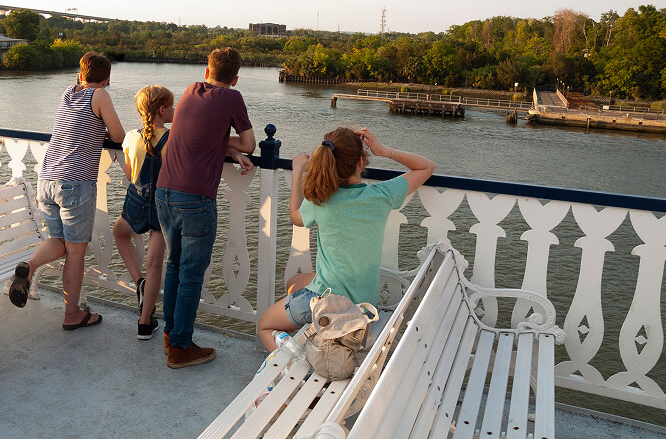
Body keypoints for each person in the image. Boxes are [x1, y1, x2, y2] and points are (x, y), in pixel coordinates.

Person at [257, 126, 435, 352]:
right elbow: (427, 166)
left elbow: (295, 216)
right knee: (294, 281)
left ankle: (296, 366)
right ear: (361, 162)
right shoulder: (381, 195)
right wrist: (383, 150)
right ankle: (323, 340)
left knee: (265, 324)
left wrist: (297, 173)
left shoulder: (321, 201)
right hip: (364, 303)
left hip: (328, 304)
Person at [9, 51, 124, 331]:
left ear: (80, 74)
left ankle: (29, 265)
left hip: (47, 179)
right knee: (75, 254)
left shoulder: (68, 92)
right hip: (75, 184)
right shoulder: (100, 95)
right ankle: (72, 315)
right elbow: (119, 136)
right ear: (106, 79)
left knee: (59, 242)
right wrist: (103, 133)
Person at [156, 47, 255, 368]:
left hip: (164, 192)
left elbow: (199, 134)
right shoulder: (232, 97)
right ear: (236, 78)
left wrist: (224, 145)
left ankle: (172, 335)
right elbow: (251, 144)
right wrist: (234, 148)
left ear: (206, 71)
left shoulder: (189, 91)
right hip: (195, 198)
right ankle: (181, 347)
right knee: (191, 275)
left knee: (175, 266)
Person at [113, 85, 174, 340]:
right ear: (162, 110)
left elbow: (129, 175)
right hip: (161, 206)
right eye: (171, 106)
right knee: (154, 263)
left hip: (136, 202)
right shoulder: (173, 139)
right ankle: (145, 321)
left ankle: (139, 281)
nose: (174, 110)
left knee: (119, 233)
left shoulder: (130, 137)